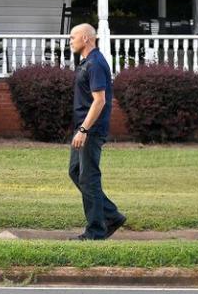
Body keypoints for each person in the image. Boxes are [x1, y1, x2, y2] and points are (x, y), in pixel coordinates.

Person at [68, 23, 126, 240]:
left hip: (90, 130)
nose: (70, 41)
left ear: (85, 38)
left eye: (73, 37)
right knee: (76, 172)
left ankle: (95, 231)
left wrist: (84, 129)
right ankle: (112, 215)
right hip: (82, 128)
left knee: (89, 178)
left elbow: (99, 100)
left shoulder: (96, 63)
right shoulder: (86, 63)